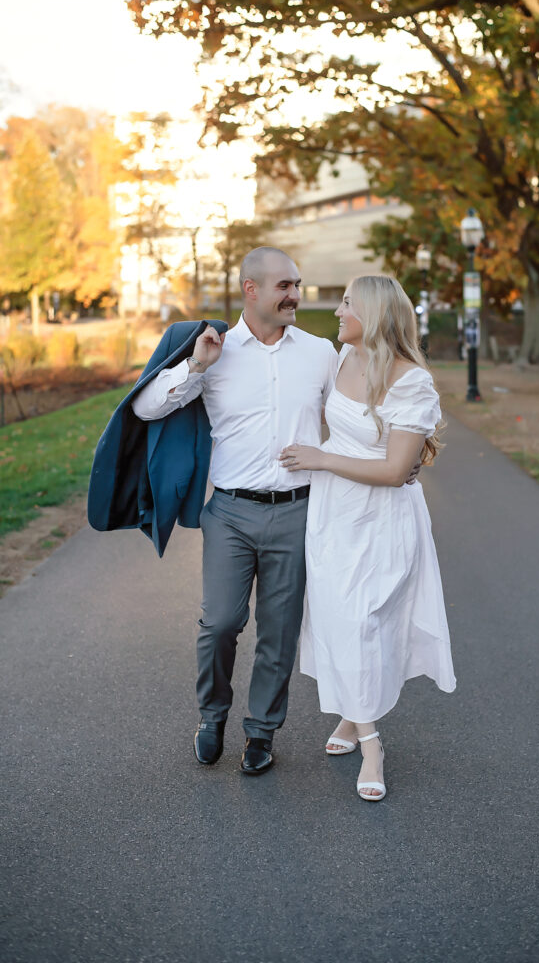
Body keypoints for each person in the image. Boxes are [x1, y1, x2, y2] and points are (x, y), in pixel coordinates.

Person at [131, 247, 338, 775]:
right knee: (220, 622)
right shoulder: (213, 350)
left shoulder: (319, 353)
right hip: (230, 513)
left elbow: (349, 420)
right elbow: (146, 405)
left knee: (279, 631)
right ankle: (212, 716)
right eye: (284, 286)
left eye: (297, 283)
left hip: (297, 511)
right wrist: (198, 365)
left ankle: (262, 733)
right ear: (251, 289)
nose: (295, 294)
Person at [281, 275, 456, 801]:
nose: (336, 311)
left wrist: (320, 458)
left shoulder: (410, 383)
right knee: (336, 619)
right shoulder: (339, 360)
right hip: (334, 515)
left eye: (346, 303)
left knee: (365, 623)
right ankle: (353, 720)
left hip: (383, 521)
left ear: (373, 315)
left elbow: (394, 469)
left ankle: (372, 745)